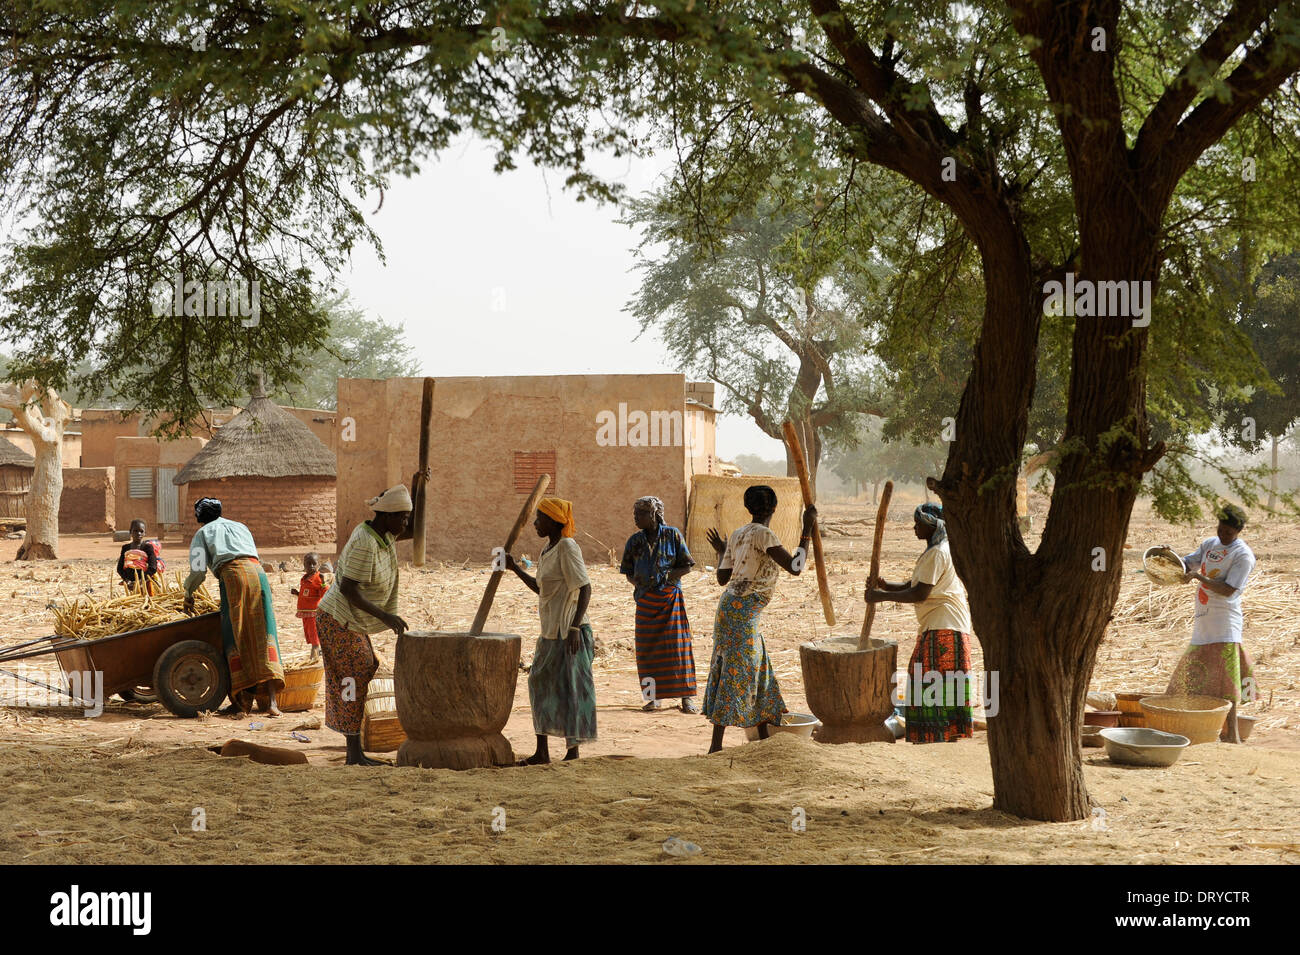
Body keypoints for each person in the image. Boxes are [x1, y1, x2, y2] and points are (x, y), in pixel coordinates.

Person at [702, 485, 815, 753]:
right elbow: (795, 568)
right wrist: (806, 530)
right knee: (738, 670)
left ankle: (764, 736)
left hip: (730, 608)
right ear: (774, 508)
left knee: (756, 666)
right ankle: (716, 747)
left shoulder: (739, 535)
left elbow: (721, 579)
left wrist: (722, 551)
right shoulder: (764, 534)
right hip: (744, 611)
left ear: (748, 507)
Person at [316, 483, 419, 766]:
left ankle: (355, 748)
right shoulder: (365, 541)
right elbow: (349, 588)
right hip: (338, 619)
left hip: (350, 619)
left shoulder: (382, 533)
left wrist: (418, 483)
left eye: (406, 517)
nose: (405, 524)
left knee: (363, 670)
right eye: (401, 517)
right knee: (353, 676)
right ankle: (353, 753)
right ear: (386, 516)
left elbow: (412, 527)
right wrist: (386, 617)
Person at [865, 502, 975, 743]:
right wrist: (885, 586)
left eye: (918, 524)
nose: (914, 528)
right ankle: (945, 731)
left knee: (928, 676)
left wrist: (880, 597)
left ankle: (935, 732)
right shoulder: (941, 549)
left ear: (931, 525)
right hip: (946, 622)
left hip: (943, 623)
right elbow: (914, 585)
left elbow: (919, 594)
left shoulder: (937, 553)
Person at [504, 497, 597, 764]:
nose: (535, 524)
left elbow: (585, 587)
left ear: (554, 521)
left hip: (569, 631)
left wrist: (576, 626)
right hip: (550, 631)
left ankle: (572, 752)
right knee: (540, 683)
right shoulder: (548, 550)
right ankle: (542, 752)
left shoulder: (568, 547)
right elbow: (542, 589)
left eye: (539, 519)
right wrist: (515, 569)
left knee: (571, 687)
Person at [1165, 504, 1257, 743]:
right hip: (1203, 619)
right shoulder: (1210, 544)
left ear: (1239, 531)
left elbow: (1228, 590)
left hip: (1225, 621)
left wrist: (1198, 577)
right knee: (1194, 672)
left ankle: (1233, 734)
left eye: (1228, 532)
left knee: (1227, 680)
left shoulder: (1242, 555)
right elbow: (1188, 563)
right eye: (1221, 529)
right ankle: (1196, 727)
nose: (1223, 535)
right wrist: (1170, 557)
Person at [183, 498, 284, 716]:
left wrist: (188, 593)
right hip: (258, 575)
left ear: (200, 516)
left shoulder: (203, 534)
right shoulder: (240, 526)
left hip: (234, 577)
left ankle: (242, 703)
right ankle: (273, 703)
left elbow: (198, 571)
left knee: (236, 635)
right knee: (264, 631)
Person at [619, 495, 699, 713]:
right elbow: (627, 571)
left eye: (641, 514)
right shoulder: (634, 541)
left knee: (678, 647)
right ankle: (653, 698)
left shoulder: (673, 535)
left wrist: (665, 578)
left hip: (670, 598)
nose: (636, 518)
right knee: (647, 651)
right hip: (645, 602)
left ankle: (686, 698)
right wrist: (639, 583)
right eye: (635, 514)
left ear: (654, 515)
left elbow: (687, 566)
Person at [290, 552, 326, 662]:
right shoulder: (305, 578)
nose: (311, 567)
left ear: (318, 564)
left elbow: (323, 594)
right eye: (308, 564)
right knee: (309, 634)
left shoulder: (318, 578)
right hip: (305, 612)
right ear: (304, 565)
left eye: (314, 564)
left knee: (314, 634)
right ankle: (318, 654)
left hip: (313, 612)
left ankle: (315, 657)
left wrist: (323, 582)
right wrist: (298, 593)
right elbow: (307, 593)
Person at [116, 519, 164, 593]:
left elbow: (153, 567)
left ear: (145, 533)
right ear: (130, 532)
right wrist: (127, 580)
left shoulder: (148, 547)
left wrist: (142, 581)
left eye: (141, 531)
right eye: (135, 531)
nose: (139, 533)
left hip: (146, 583)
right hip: (130, 584)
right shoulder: (125, 548)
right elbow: (120, 568)